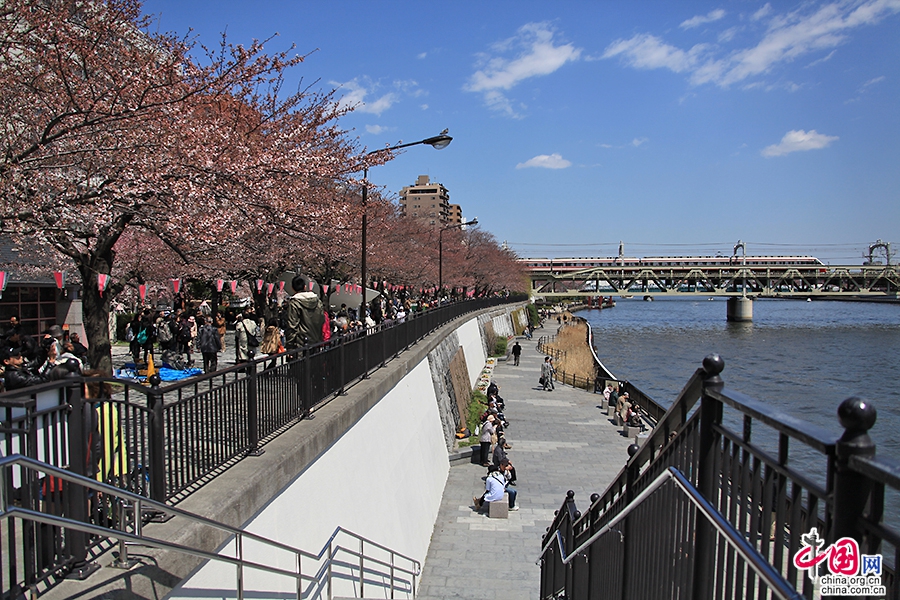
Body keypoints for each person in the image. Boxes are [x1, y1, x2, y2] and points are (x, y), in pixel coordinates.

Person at [285, 275, 326, 349]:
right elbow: (322, 319)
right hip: (316, 342)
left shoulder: (294, 303)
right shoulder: (317, 301)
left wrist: (290, 345)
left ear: (292, 288)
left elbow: (292, 325)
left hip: (300, 343)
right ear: (305, 287)